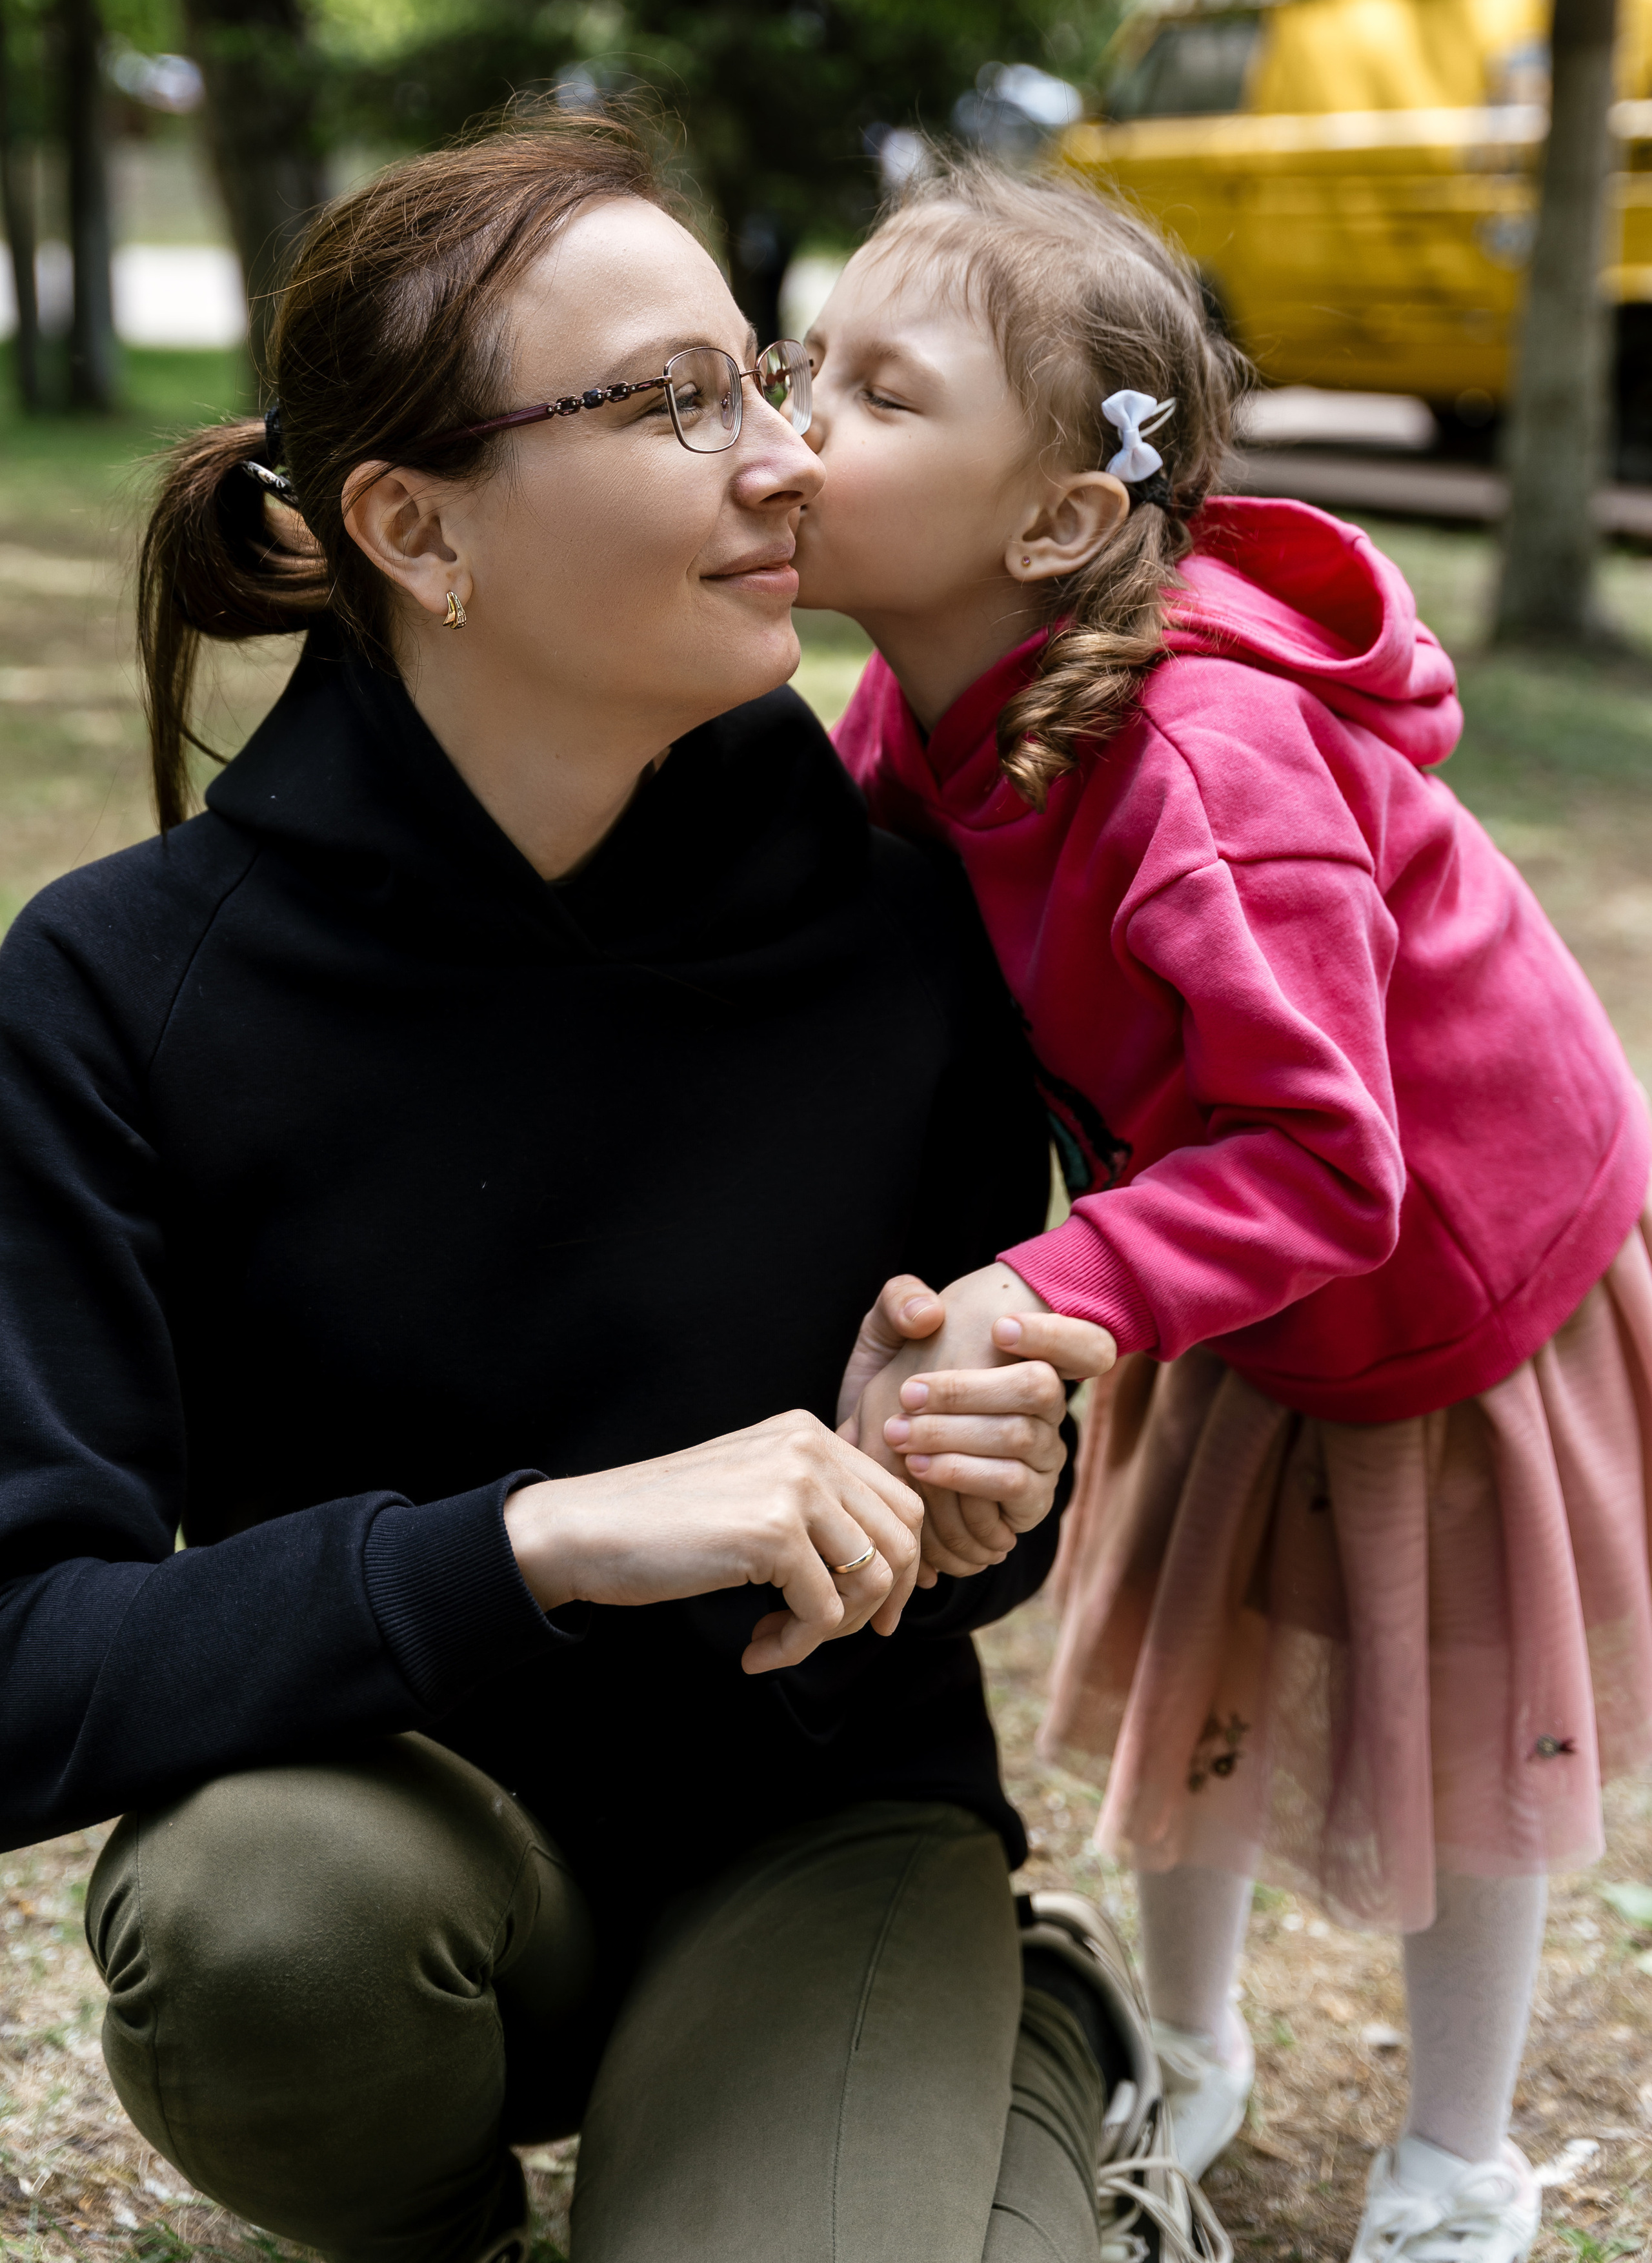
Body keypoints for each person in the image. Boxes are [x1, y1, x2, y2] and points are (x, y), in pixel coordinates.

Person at [0, 117, 1218, 2263]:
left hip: (820, 1841)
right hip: (401, 1849)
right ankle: (443, 2213)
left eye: (765, 377)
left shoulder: (905, 931)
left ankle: (1014, 2034)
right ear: (415, 526)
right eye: (677, 402)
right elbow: (25, 1664)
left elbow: (969, 1539)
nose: (784, 457)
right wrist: (546, 1542)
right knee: (257, 1919)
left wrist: (968, 1487)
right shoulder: (114, 991)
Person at [801, 152, 1652, 2263]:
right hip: (1207, 1273)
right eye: (804, 357)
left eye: (878, 392)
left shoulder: (1211, 770)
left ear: (1058, 519)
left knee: (1452, 1734)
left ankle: (1460, 2163)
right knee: (1203, 1669)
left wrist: (1044, 1278)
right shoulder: (914, 705)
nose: (795, 416)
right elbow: (815, 948)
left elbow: (1334, 1162)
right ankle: (1189, 2050)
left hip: (1439, 1290)